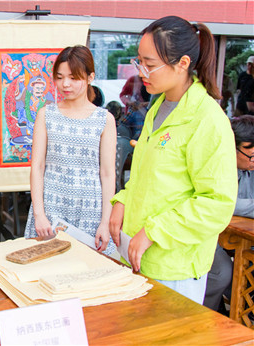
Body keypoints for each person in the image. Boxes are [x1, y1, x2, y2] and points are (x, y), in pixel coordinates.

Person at [109, 16, 238, 304]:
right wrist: (122, 200)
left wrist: (155, 231)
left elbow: (216, 204)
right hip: (141, 256)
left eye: (150, 64)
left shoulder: (207, 120)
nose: (142, 71)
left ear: (182, 63)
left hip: (175, 266)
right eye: (138, 61)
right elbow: (148, 177)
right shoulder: (159, 107)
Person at [24, 45, 117, 255]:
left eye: (73, 78)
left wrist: (105, 221)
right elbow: (37, 167)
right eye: (59, 77)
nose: (65, 84)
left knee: (86, 275)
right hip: (51, 209)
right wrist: (39, 214)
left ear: (90, 77)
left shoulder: (104, 119)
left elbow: (108, 174)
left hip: (90, 213)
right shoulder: (46, 114)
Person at [204, 115, 254, 312]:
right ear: (232, 147)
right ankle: (207, 316)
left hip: (238, 234)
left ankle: (241, 313)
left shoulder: (249, 166)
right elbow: (223, 202)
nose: (253, 161)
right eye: (250, 155)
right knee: (222, 273)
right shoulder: (214, 165)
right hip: (208, 232)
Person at [119, 74, 151, 139]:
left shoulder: (134, 112)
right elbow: (123, 95)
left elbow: (123, 124)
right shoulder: (133, 80)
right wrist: (130, 103)